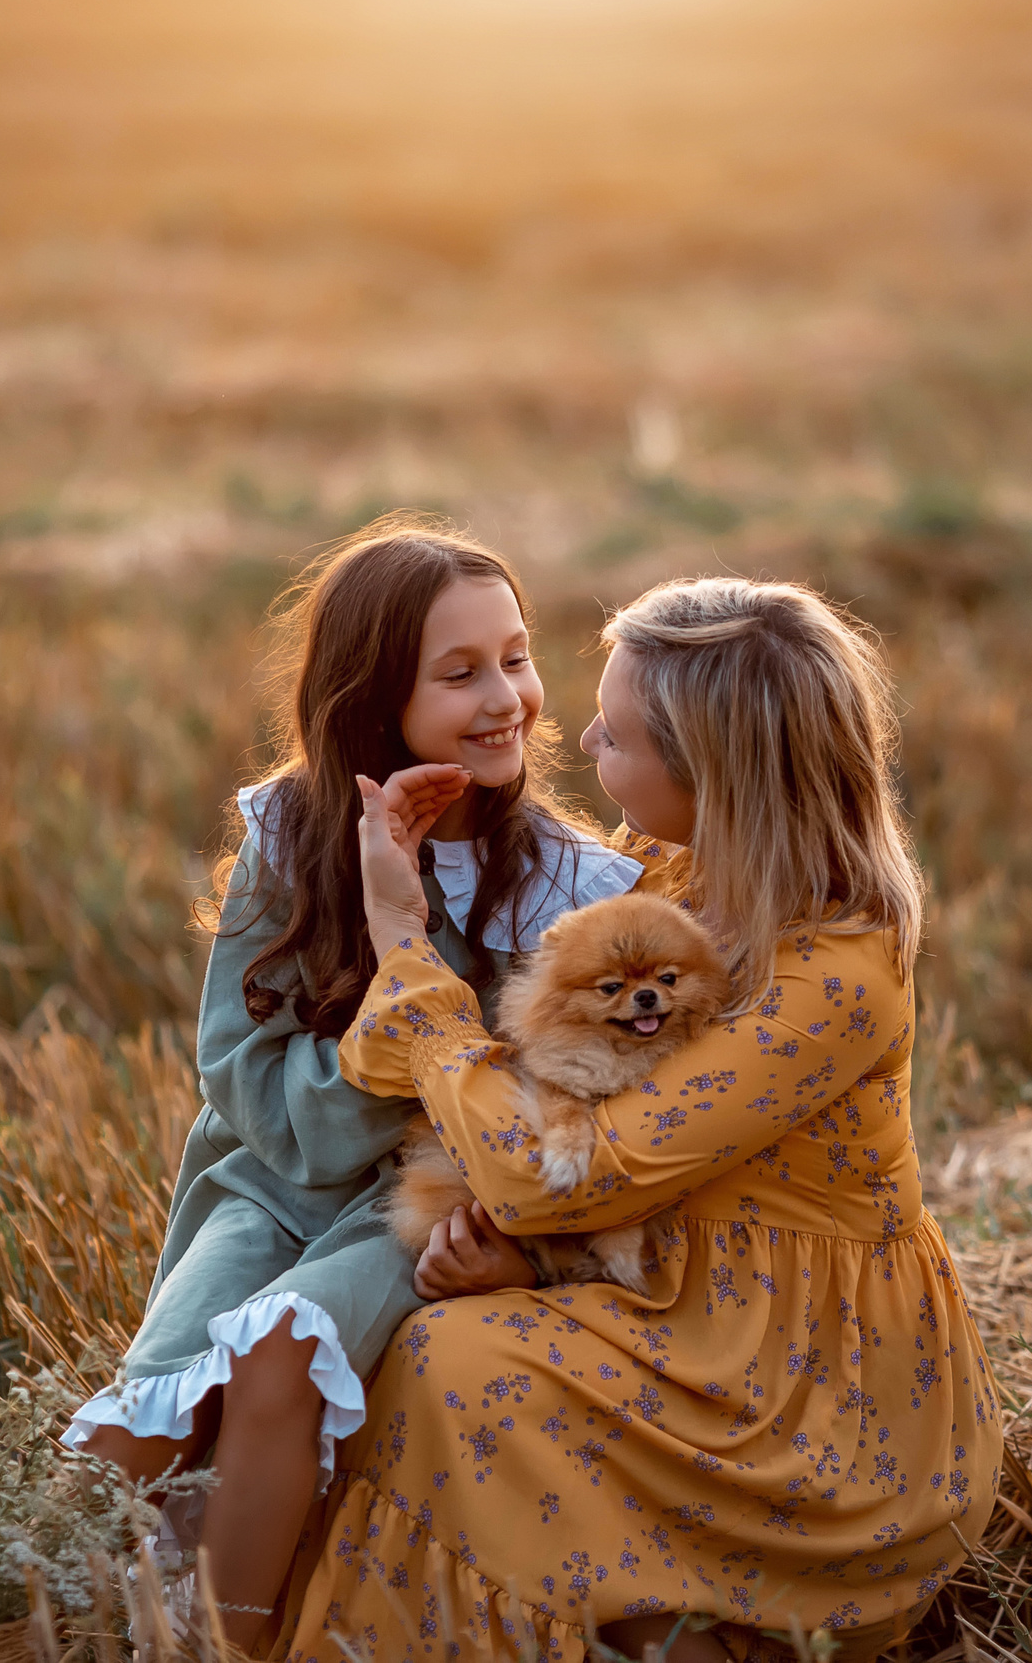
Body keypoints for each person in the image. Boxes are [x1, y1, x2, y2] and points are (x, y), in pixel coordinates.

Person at [281, 576, 1002, 1661]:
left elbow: (562, 1171)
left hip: (796, 1388)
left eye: (614, 735)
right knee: (434, 1353)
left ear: (712, 770)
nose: (582, 740)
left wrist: (404, 944)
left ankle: (668, 1627)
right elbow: (557, 1089)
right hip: (663, 1300)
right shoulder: (669, 879)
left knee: (461, 1369)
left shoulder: (836, 974)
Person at [62, 518, 640, 1654]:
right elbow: (248, 1080)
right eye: (459, 673)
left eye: (516, 657)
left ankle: (228, 1645)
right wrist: (387, 994)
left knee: (281, 1355)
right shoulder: (287, 836)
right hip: (273, 1185)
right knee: (134, 1429)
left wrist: (518, 1241)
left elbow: (575, 1102)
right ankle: (35, 1618)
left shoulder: (573, 884)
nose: (506, 699)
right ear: (373, 699)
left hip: (420, 1201)